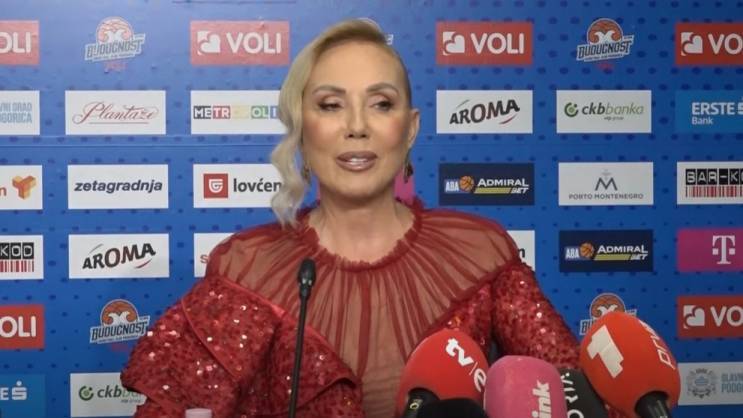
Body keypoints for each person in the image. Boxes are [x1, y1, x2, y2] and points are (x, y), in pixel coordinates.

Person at [122, 19, 595, 418]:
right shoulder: (246, 269)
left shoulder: (480, 254)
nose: (356, 126)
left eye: (381, 103)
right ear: (302, 129)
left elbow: (574, 395)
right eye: (330, 105)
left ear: (410, 129)